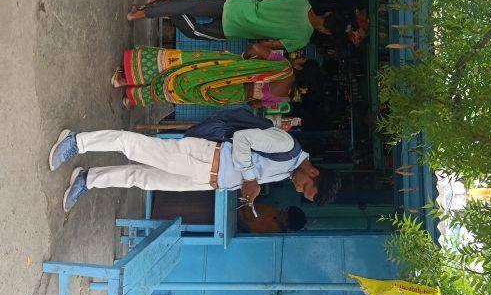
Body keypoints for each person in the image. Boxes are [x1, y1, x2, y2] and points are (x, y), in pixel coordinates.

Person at [49, 125, 341, 213]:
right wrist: (251, 179)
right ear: (313, 173)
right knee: (137, 147)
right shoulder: (287, 146)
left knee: (143, 179)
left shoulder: (288, 171)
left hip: (207, 181)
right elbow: (242, 139)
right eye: (305, 187)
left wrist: (247, 185)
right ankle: (77, 141)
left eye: (303, 193)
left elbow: (250, 170)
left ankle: (88, 179)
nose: (298, 188)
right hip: (205, 158)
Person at [127, 0, 347, 48]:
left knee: (190, 6)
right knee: (194, 31)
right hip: (236, 28)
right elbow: (269, 44)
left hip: (235, 5)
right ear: (325, 31)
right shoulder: (302, 39)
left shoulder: (302, 1)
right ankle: (151, 7)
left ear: (327, 13)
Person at [111, 41, 296, 109]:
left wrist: (244, 60)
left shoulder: (284, 67)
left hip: (224, 69)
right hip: (231, 94)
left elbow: (256, 48)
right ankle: (132, 98)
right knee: (181, 92)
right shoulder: (281, 98)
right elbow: (255, 104)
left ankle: (125, 79)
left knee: (182, 65)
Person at [237, 203, 307, 234]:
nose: (282, 210)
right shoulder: (274, 211)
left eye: (284, 213)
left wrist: (235, 216)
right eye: (285, 209)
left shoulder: (272, 229)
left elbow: (246, 227)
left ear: (287, 222)